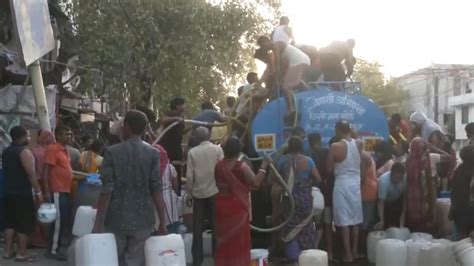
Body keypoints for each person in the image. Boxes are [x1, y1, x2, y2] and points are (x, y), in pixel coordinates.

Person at [93, 110, 167, 266]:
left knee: (113, 260)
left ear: (126, 126)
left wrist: (98, 222)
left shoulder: (112, 152)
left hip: (116, 219)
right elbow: (156, 189)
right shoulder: (153, 154)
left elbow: (106, 190)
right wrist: (163, 221)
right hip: (143, 220)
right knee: (135, 261)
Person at [214, 137, 271, 266]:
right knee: (238, 241)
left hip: (221, 207)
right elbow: (256, 183)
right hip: (237, 207)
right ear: (238, 151)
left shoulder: (219, 165)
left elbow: (219, 184)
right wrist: (264, 166)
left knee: (224, 241)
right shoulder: (242, 166)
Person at [277, 136, 321, 262]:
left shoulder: (283, 161)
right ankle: (307, 258)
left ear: (289, 147)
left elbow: (276, 178)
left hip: (288, 199)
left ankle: (293, 258)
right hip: (305, 199)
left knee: (290, 227)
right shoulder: (308, 161)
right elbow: (318, 179)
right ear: (301, 147)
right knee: (306, 226)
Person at [2, 126, 43, 262]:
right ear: (22, 136)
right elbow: (31, 175)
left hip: (8, 192)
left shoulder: (6, 152)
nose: (29, 138)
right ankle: (22, 253)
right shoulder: (24, 152)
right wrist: (38, 191)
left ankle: (7, 252)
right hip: (22, 194)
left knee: (10, 223)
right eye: (28, 135)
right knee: (23, 224)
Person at [186, 127, 224, 266]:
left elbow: (190, 177)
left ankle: (197, 260)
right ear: (209, 136)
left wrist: (189, 193)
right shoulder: (217, 150)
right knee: (216, 226)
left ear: (197, 137)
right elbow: (223, 170)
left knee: (197, 228)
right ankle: (217, 257)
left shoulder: (192, 152)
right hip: (215, 192)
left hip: (199, 194)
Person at [327, 121, 363, 263]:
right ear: (349, 129)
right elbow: (354, 137)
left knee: (345, 220)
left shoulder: (335, 147)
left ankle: (347, 254)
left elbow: (329, 169)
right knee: (355, 220)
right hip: (355, 184)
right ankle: (354, 251)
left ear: (337, 130)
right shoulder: (360, 144)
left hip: (342, 184)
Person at [257, 36, 310, 121]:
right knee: (293, 81)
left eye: (263, 46)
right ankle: (308, 90)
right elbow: (278, 67)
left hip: (298, 61)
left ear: (265, 42)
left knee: (286, 86)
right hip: (303, 60)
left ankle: (291, 109)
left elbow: (277, 64)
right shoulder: (276, 47)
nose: (264, 49)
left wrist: (278, 79)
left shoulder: (276, 45)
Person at [405, 137, 451, 233]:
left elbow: (448, 157)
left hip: (420, 195)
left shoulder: (410, 160)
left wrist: (434, 148)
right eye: (423, 148)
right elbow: (448, 157)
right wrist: (434, 148)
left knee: (423, 220)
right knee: (422, 220)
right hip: (420, 195)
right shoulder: (423, 159)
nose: (424, 150)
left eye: (425, 148)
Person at [43, 125, 74, 260]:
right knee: (58, 223)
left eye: (69, 133)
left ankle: (57, 247)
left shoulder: (65, 150)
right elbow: (45, 172)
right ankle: (53, 251)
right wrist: (46, 191)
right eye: (66, 133)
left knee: (63, 222)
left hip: (64, 191)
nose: (69, 136)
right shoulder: (53, 149)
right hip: (57, 191)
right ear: (59, 135)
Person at [30, 129, 55, 248]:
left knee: (39, 211)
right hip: (49, 185)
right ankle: (45, 237)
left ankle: (37, 237)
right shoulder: (54, 151)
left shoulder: (34, 152)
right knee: (47, 212)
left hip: (37, 184)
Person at [159, 97, 186, 193]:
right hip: (169, 149)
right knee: (171, 170)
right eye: (183, 104)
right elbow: (162, 120)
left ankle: (175, 193)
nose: (184, 106)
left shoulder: (181, 117)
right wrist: (176, 119)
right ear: (177, 106)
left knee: (176, 171)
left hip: (175, 148)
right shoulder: (172, 114)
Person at [307, 133, 328, 248]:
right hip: (323, 191)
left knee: (308, 220)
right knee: (320, 221)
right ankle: (316, 246)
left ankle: (308, 245)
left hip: (308, 191)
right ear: (320, 141)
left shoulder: (307, 155)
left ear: (309, 143)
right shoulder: (326, 152)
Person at [151, 144, 179, 230]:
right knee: (171, 225)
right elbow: (175, 185)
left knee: (156, 223)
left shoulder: (150, 168)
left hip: (154, 198)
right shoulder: (170, 167)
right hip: (169, 198)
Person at [450, 145, 474, 238]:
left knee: (461, 237)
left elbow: (453, 189)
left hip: (459, 209)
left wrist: (452, 208)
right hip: (470, 209)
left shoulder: (459, 170)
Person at [374, 163, 407, 229]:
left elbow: (405, 198)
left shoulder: (405, 179)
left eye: (400, 178)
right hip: (384, 202)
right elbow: (381, 203)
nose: (398, 180)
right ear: (391, 174)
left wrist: (403, 214)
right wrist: (381, 220)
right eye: (396, 178)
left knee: (397, 225)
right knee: (383, 224)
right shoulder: (384, 181)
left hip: (397, 200)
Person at [359, 141, 377, 258]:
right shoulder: (365, 155)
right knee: (366, 222)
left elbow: (361, 176)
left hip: (366, 192)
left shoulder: (362, 156)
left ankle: (363, 251)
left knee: (364, 224)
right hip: (369, 191)